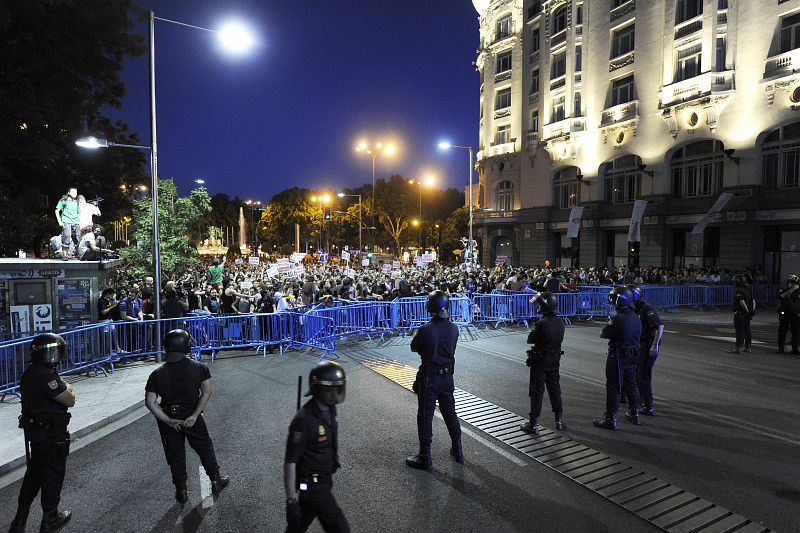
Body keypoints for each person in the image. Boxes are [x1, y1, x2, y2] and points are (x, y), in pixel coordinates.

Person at [144, 330, 229, 504]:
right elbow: (207, 391)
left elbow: (150, 402)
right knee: (204, 447)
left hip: (169, 420)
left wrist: (167, 420)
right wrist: (194, 415)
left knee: (175, 454)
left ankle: (181, 490)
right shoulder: (199, 368)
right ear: (186, 346)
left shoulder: (157, 374)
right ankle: (215, 480)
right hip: (193, 417)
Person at [9, 334, 74, 533]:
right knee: (53, 475)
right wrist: (69, 387)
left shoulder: (31, 372)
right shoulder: (45, 376)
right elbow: (69, 400)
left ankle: (20, 519)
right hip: (51, 436)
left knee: (34, 475)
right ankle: (50, 518)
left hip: (37, 435)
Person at [284, 361, 350, 532]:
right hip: (314, 486)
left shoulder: (329, 408)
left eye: (337, 389)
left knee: (298, 525)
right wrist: (291, 500)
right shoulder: (304, 420)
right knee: (339, 528)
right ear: (317, 389)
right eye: (329, 389)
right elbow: (291, 461)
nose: (334, 395)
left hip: (323, 480)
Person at [406, 290, 462, 470]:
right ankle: (458, 449)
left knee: (425, 417)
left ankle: (425, 457)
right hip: (448, 378)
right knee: (450, 412)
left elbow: (414, 347)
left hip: (429, 378)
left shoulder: (426, 329)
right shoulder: (454, 328)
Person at [593, 286, 642, 430]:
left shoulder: (618, 318)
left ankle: (610, 419)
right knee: (631, 385)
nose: (613, 302)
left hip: (618, 355)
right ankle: (635, 413)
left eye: (615, 299)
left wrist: (609, 322)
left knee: (614, 387)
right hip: (632, 355)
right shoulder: (635, 316)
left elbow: (603, 333)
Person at [520, 291, 566, 435]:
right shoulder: (560, 321)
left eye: (540, 305)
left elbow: (530, 339)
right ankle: (559, 420)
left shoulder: (541, 323)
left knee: (537, 391)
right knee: (555, 389)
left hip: (541, 361)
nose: (538, 307)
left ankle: (533, 424)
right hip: (555, 359)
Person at [630, 286, 664, 416]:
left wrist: (655, 346)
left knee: (643, 376)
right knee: (637, 375)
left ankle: (648, 406)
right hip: (640, 345)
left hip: (648, 345)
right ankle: (641, 401)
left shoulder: (646, 308)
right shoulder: (635, 308)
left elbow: (659, 326)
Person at [54, 187, 80, 261]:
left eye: (76, 192)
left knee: (77, 238)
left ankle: (77, 253)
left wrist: (79, 222)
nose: (75, 193)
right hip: (66, 221)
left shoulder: (76, 202)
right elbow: (57, 210)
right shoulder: (63, 201)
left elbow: (78, 213)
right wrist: (59, 221)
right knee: (66, 238)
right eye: (73, 192)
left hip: (76, 222)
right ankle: (65, 255)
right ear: (68, 193)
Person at [732, 275, 756, 354]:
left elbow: (742, 302)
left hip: (741, 313)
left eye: (735, 282)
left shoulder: (739, 290)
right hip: (748, 314)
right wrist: (751, 311)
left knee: (740, 331)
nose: (734, 283)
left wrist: (746, 310)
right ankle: (748, 347)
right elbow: (753, 301)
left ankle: (738, 348)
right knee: (747, 331)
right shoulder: (749, 289)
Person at [777, 275, 800, 354]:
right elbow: (782, 296)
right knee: (782, 330)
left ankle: (795, 348)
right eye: (791, 282)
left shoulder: (799, 292)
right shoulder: (784, 290)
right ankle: (780, 347)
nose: (792, 284)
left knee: (796, 331)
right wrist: (792, 289)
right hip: (784, 313)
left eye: (794, 283)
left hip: (795, 314)